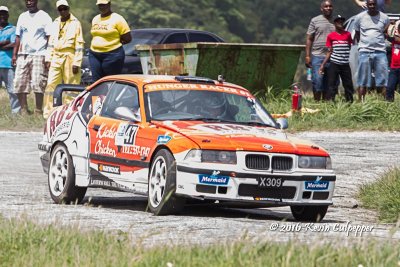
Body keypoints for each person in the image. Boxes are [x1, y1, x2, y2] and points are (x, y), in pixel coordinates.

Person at [43, 0, 84, 118]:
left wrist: (77, 62)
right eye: (60, 9)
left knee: (71, 85)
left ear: (68, 8)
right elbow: (51, 42)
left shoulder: (76, 23)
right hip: (56, 55)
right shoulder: (55, 22)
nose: (63, 11)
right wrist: (48, 59)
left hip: (70, 56)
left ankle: (70, 112)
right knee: (51, 84)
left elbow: (79, 44)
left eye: (65, 8)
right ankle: (49, 113)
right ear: (58, 10)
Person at [12, 0, 52, 115]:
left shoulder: (44, 17)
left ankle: (38, 110)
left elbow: (49, 37)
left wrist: (48, 55)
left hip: (39, 54)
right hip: (22, 54)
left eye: (31, 0)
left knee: (38, 83)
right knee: (19, 82)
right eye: (27, 1)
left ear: (36, 1)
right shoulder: (22, 16)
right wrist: (14, 54)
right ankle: (24, 110)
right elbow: (18, 37)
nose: (29, 2)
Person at [354, 0, 390, 101]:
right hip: (365, 52)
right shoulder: (360, 17)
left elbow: (385, 31)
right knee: (363, 81)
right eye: (370, 4)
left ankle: (385, 103)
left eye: (374, 4)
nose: (372, 6)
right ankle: (361, 103)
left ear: (377, 4)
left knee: (383, 80)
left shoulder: (384, 17)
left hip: (380, 52)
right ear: (367, 5)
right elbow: (357, 33)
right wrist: (361, 46)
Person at [89, 0, 132, 82]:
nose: (102, 7)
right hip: (94, 54)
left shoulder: (118, 19)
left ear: (109, 4)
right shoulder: (95, 18)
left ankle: (109, 95)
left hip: (112, 55)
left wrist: (111, 43)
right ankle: (98, 95)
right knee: (96, 82)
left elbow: (128, 38)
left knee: (110, 81)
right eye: (100, 5)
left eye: (104, 5)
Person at [319, 15, 354, 102]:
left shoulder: (348, 35)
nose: (340, 23)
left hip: (345, 64)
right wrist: (323, 65)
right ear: (335, 23)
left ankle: (349, 102)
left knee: (348, 84)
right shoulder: (331, 36)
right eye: (338, 21)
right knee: (332, 84)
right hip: (334, 63)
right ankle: (330, 102)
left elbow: (349, 46)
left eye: (342, 21)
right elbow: (329, 51)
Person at [305, 0, 335, 101]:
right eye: (326, 7)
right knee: (317, 82)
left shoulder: (337, 21)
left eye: (330, 6)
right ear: (321, 9)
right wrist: (308, 56)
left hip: (333, 57)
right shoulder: (315, 20)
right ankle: (316, 104)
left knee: (329, 84)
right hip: (317, 56)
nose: (328, 8)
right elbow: (309, 38)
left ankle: (326, 106)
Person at [0, 6, 20, 115]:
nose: (2, 16)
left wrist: (7, 44)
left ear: (8, 15)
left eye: (4, 14)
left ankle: (15, 113)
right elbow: (8, 43)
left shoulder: (13, 29)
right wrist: (4, 42)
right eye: (0, 14)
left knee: (12, 90)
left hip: (8, 64)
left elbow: (13, 44)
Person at [386, 20, 400, 101]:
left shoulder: (396, 38)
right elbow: (387, 35)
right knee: (390, 87)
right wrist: (390, 25)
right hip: (394, 67)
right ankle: (389, 105)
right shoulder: (394, 38)